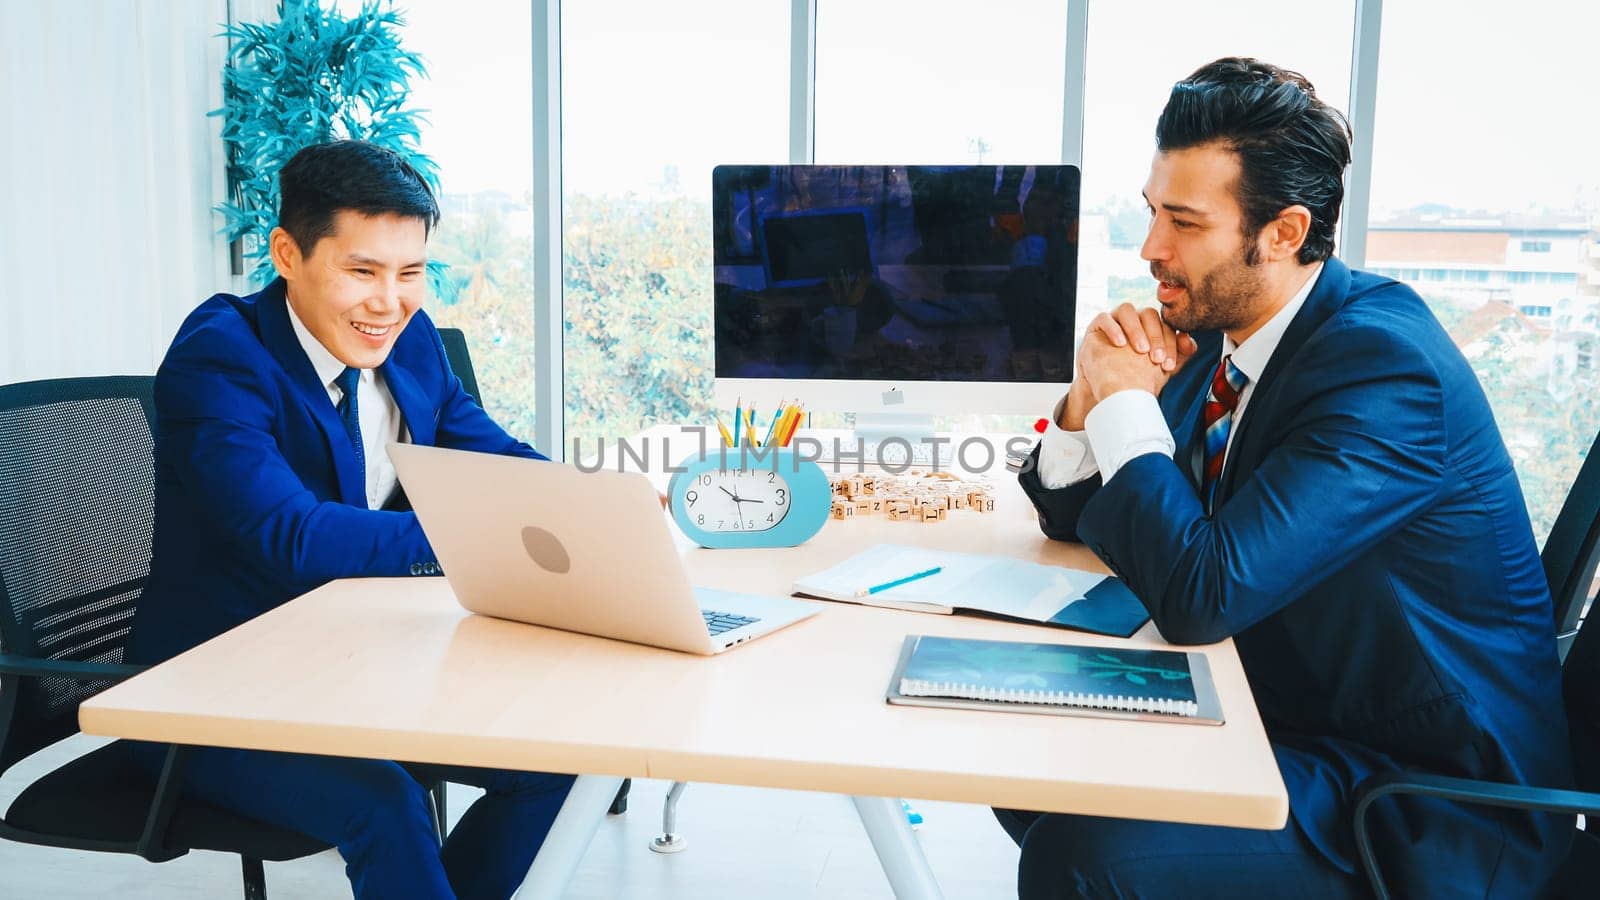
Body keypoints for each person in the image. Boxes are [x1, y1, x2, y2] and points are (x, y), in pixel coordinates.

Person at [1001, 58, 1574, 898]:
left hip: (1419, 799)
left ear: (1283, 231)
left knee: (1078, 857)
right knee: (1026, 766)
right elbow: (1074, 515)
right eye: (1153, 211)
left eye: (1185, 223)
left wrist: (1132, 408)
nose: (1151, 247)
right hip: (1285, 712)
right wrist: (1092, 401)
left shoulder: (1384, 368)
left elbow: (1201, 593)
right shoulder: (1227, 334)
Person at [127, 140, 575, 900]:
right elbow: (291, 537)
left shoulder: (412, 340)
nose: (388, 301)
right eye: (362, 271)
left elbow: (494, 459)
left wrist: (586, 508)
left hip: (350, 664)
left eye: (410, 273)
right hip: (206, 692)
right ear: (287, 254)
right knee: (387, 804)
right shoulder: (221, 358)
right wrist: (478, 541)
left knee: (560, 755)